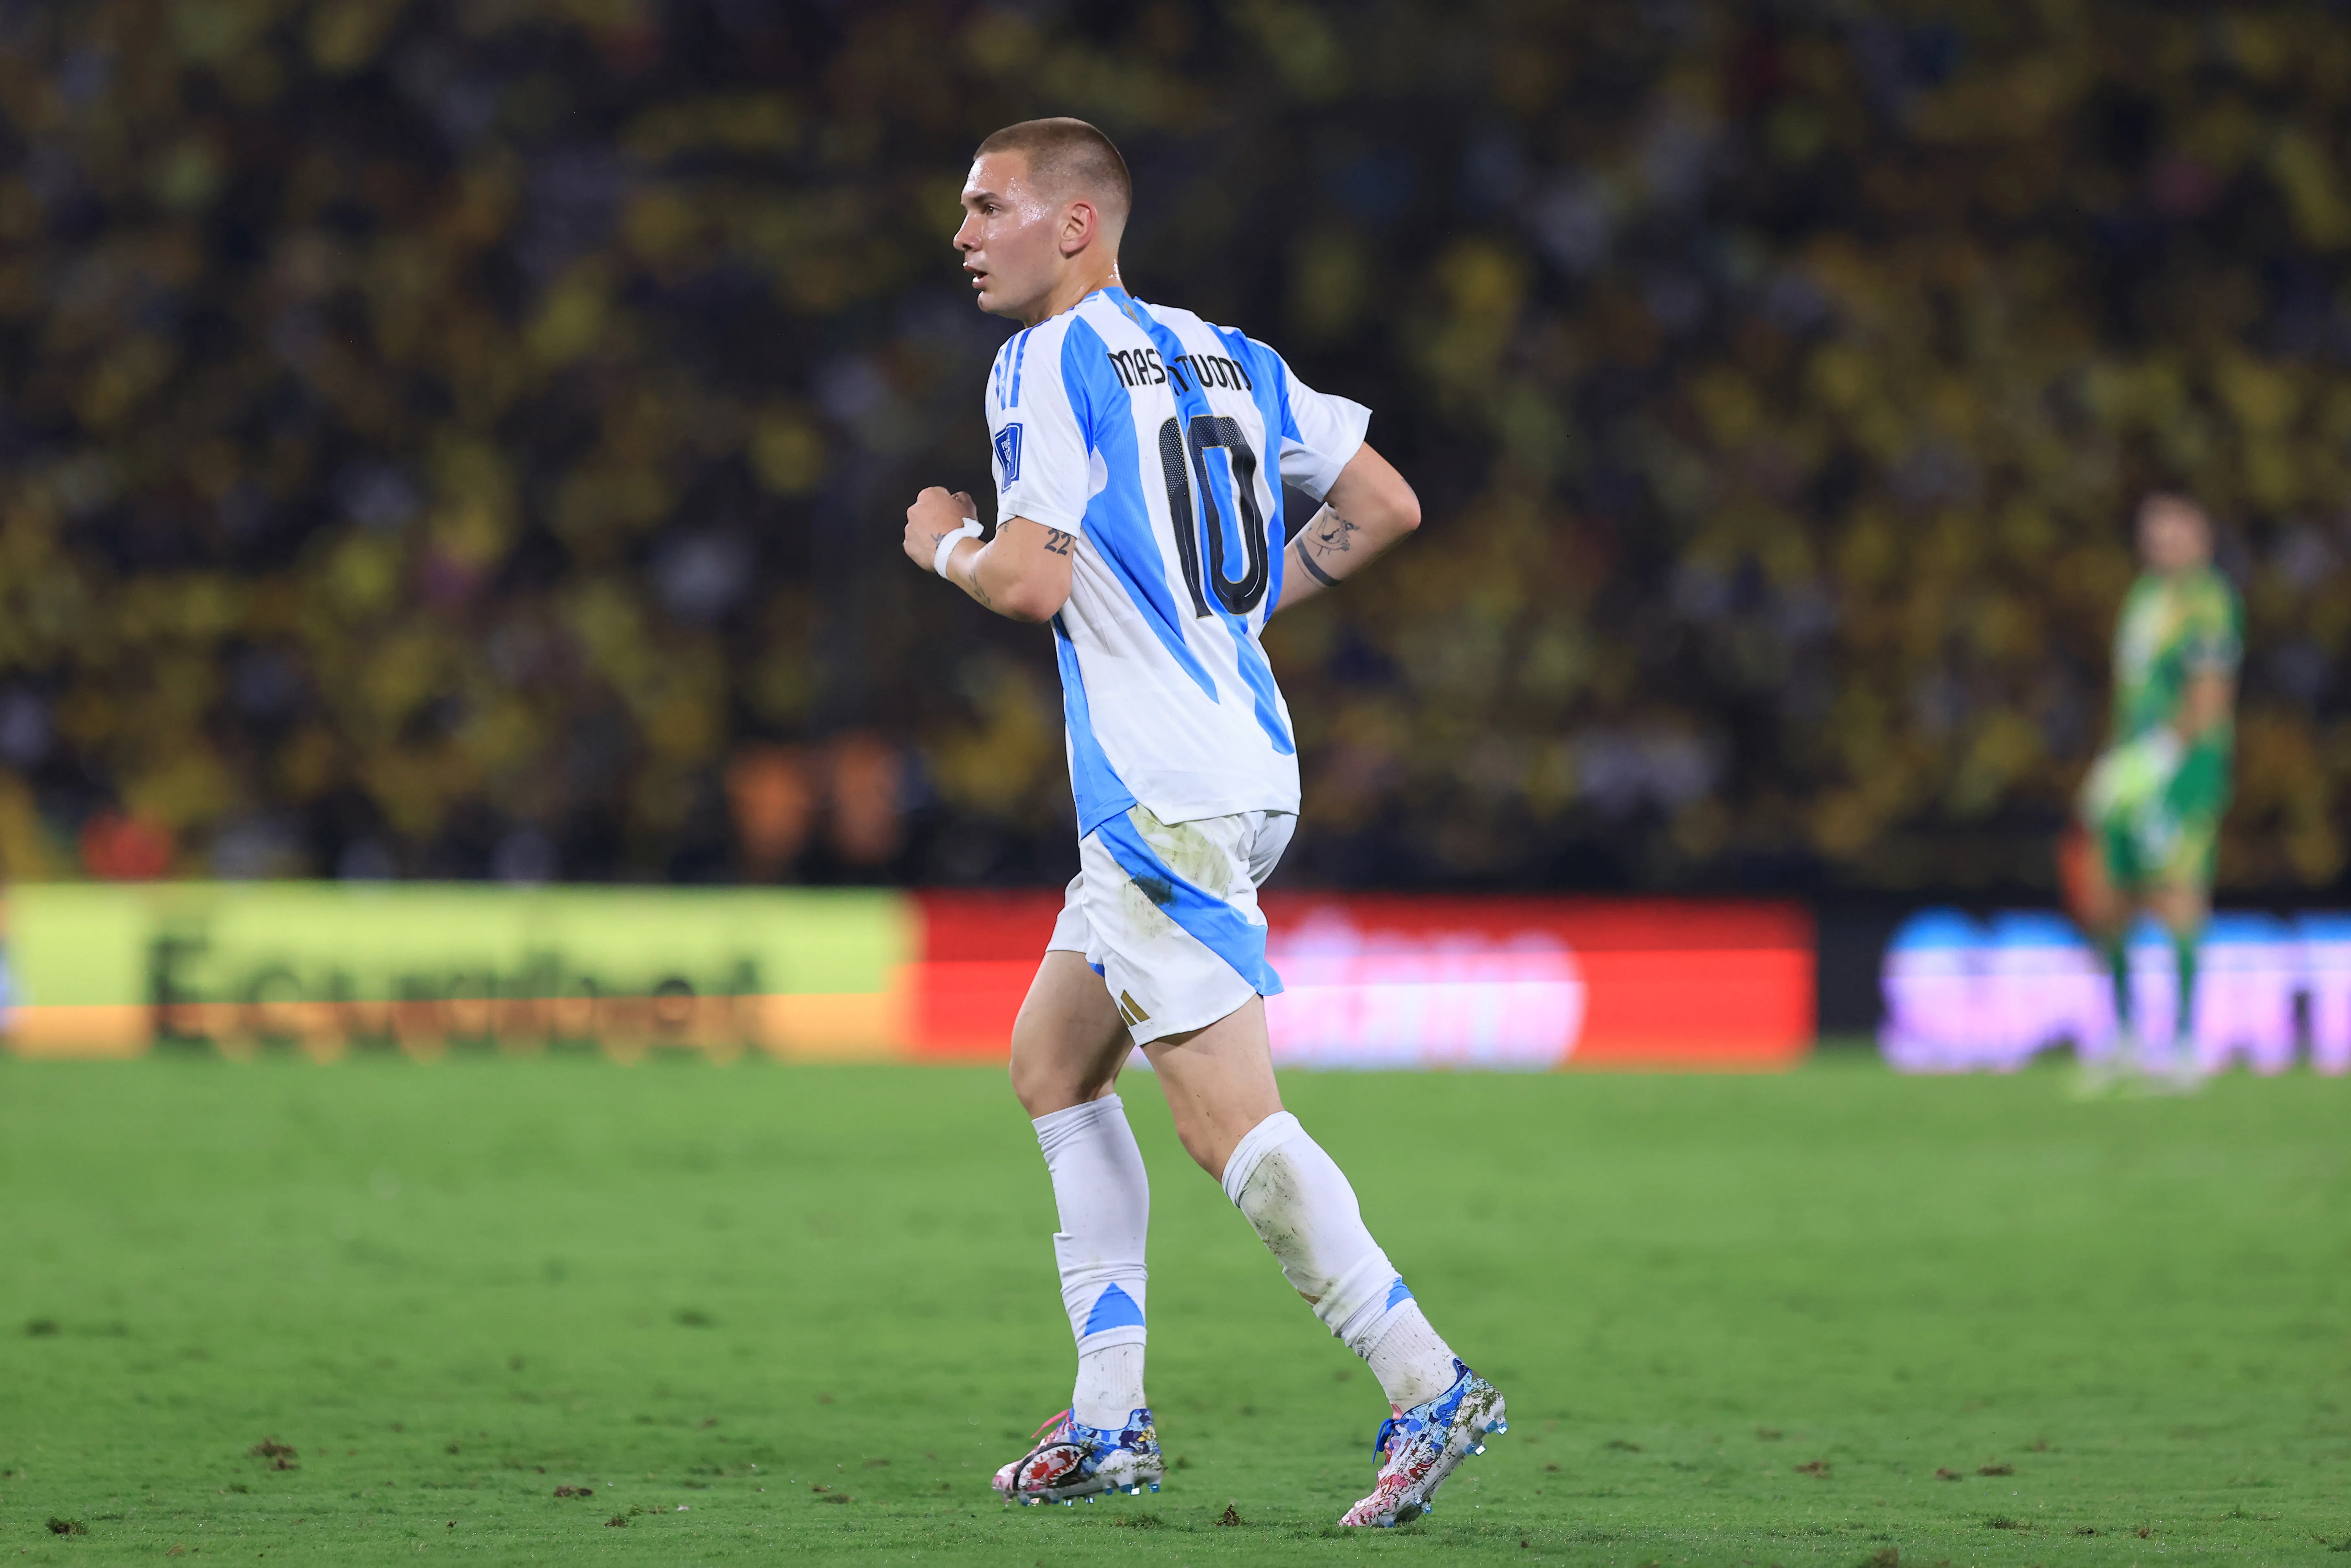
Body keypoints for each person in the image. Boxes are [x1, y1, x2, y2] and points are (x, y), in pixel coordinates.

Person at [898, 118, 1505, 1529]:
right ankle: (1109, 1415)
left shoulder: (1044, 359)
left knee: (1228, 1117)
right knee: (1054, 1063)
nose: (963, 235)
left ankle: (1428, 1381)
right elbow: (1385, 504)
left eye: (989, 207)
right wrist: (1221, 613)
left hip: (1161, 789)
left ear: (1075, 226)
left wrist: (943, 542)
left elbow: (1031, 583)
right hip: (1245, 763)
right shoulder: (1227, 353)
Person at [2060, 493, 2242, 1091]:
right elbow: (2131, 693)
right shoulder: (2144, 597)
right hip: (2133, 763)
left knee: (2177, 893)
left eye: (2175, 534)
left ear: (2202, 539)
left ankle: (2186, 1045)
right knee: (2109, 896)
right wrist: (2115, 762)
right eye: (2154, 534)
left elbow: (2210, 695)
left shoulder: (2208, 603)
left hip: (2184, 773)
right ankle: (2126, 1038)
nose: (2162, 545)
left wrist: (2162, 756)